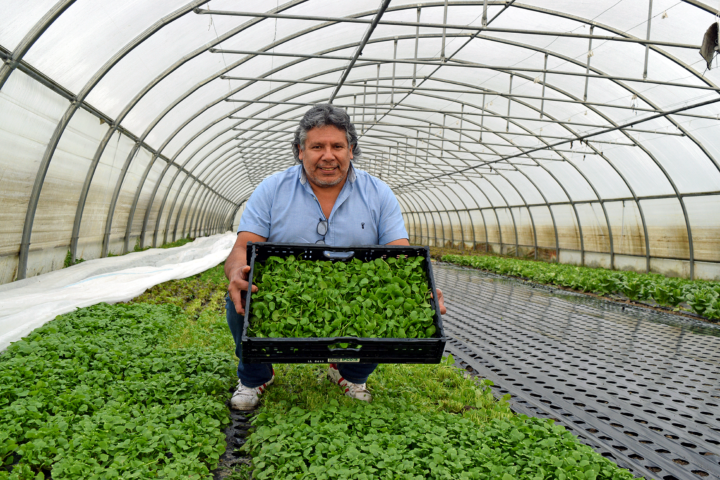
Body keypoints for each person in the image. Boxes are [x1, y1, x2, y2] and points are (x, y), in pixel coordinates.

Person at [224, 104, 446, 410]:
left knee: (383, 307)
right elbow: (242, 247)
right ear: (299, 151)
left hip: (356, 290)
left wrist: (422, 289)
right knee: (243, 294)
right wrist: (237, 272)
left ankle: (349, 372)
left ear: (351, 150)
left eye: (337, 146)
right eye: (317, 146)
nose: (328, 155)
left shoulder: (378, 193)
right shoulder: (272, 189)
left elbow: (400, 255)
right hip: (290, 291)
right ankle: (256, 376)